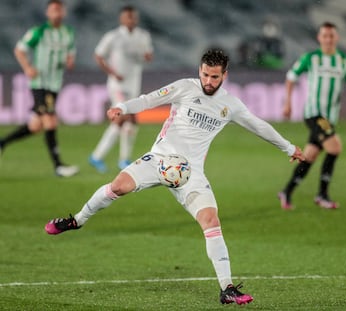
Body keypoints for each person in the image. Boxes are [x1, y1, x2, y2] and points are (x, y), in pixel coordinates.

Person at [45, 49, 305, 305]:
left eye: (215, 77)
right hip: (159, 159)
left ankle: (227, 288)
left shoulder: (230, 105)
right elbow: (148, 100)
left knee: (211, 220)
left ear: (225, 75)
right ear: (199, 71)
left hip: (190, 172)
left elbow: (259, 126)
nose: (208, 82)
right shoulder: (184, 87)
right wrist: (123, 107)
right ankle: (77, 220)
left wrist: (289, 147)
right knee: (117, 187)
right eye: (205, 75)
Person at [278, 22, 346, 210]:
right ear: (319, 38)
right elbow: (291, 76)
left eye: (331, 36)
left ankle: (287, 191)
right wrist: (288, 102)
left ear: (337, 38)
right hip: (314, 114)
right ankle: (322, 195)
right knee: (335, 148)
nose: (328, 39)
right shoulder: (310, 58)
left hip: (329, 117)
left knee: (309, 156)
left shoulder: (345, 60)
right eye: (324, 35)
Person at [0, 0, 79, 177]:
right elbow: (19, 50)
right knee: (50, 120)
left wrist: (69, 62)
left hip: (55, 84)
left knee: (35, 126)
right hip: (40, 84)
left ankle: (2, 142)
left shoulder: (68, 33)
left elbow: (70, 57)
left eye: (59, 9)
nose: (57, 13)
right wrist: (28, 67)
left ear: (63, 13)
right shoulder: (39, 31)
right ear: (47, 13)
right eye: (53, 10)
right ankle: (59, 166)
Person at [88, 5, 154, 173]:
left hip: (133, 84)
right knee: (125, 117)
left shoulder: (143, 36)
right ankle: (119, 159)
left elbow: (148, 56)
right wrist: (112, 73)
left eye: (133, 17)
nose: (131, 20)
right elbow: (98, 55)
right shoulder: (113, 36)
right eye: (128, 17)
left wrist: (147, 57)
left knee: (126, 121)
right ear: (122, 19)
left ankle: (100, 157)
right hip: (118, 85)